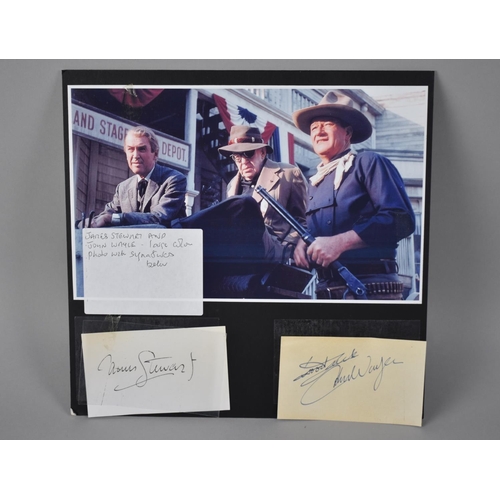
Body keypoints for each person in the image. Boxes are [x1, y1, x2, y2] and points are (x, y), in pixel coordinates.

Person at [291, 91, 416, 300]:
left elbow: (401, 219)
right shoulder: (314, 181)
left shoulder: (368, 163)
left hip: (371, 289)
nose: (318, 131)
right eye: (314, 127)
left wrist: (340, 243)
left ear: (347, 132)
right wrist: (303, 242)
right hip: (327, 291)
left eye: (327, 124)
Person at [218, 125, 308, 263]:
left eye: (248, 154)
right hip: (242, 256)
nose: (243, 162)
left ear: (262, 153)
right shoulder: (231, 186)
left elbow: (304, 219)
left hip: (275, 256)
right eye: (237, 157)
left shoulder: (288, 174)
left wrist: (286, 248)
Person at [86, 125, 187, 228]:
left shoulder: (174, 180)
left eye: (141, 149)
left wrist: (113, 218)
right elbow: (105, 215)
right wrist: (86, 223)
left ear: (155, 154)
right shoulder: (123, 188)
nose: (135, 155)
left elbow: (158, 217)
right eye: (130, 149)